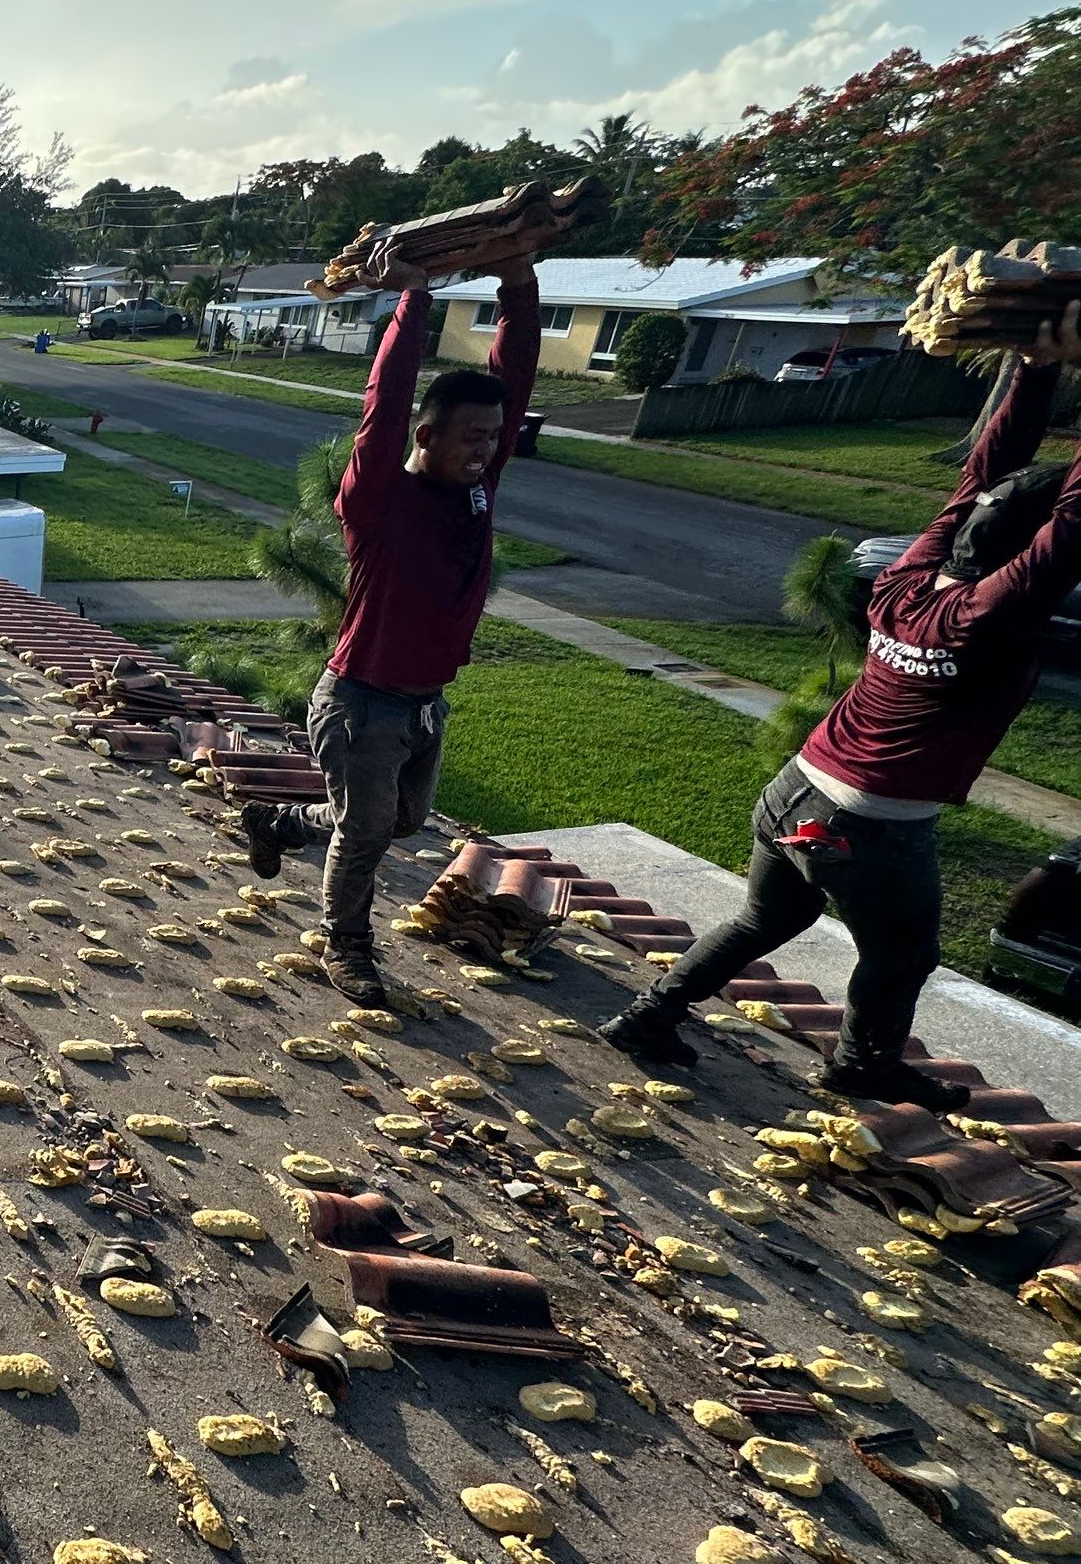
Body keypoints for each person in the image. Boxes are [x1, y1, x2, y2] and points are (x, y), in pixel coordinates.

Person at [601, 302, 1081, 1107]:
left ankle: (648, 1017)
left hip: (798, 786)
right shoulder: (989, 616)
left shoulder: (910, 578)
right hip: (870, 825)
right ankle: (861, 1064)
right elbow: (1068, 526)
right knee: (904, 956)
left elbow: (975, 487)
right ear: (1026, 558)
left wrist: (1037, 368)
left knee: (763, 922)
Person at [235, 255, 542, 1007]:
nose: (485, 450)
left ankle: (277, 822)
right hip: (361, 701)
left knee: (399, 820)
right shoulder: (379, 498)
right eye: (471, 437)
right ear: (428, 435)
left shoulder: (476, 489)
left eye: (493, 439)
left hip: (423, 704)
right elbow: (385, 401)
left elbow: (513, 378)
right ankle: (348, 948)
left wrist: (518, 288)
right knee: (366, 834)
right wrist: (413, 295)